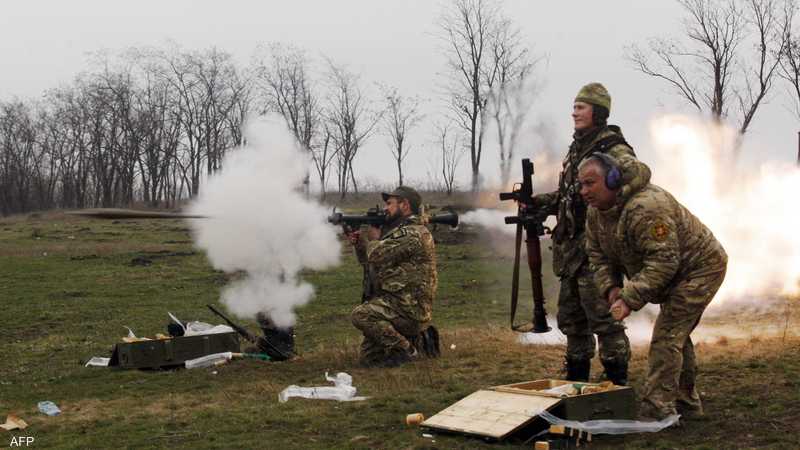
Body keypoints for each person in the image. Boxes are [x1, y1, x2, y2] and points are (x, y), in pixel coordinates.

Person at [580, 154, 728, 421]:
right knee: (674, 335)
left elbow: (663, 261)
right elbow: (597, 253)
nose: (584, 191)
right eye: (581, 185)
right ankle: (686, 405)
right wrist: (611, 287)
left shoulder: (646, 207)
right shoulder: (596, 213)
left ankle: (657, 411)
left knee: (667, 337)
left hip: (699, 268)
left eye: (590, 183)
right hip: (671, 272)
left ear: (613, 180)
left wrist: (628, 298)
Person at [532, 82, 651, 385]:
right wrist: (539, 203)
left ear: (598, 112)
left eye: (581, 107)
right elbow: (570, 194)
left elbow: (640, 173)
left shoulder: (611, 147)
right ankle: (577, 386)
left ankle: (616, 385)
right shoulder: (578, 148)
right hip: (571, 253)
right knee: (573, 322)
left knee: (605, 321)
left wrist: (615, 196)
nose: (574, 113)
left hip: (597, 250)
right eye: (573, 107)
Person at [347, 186, 438, 367]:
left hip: (409, 308)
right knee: (369, 360)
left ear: (404, 205)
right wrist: (360, 244)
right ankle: (420, 340)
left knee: (361, 315)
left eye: (389, 204)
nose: (385, 208)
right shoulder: (397, 232)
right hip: (397, 303)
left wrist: (373, 238)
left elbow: (376, 255)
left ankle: (408, 350)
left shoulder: (412, 233)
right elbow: (371, 263)